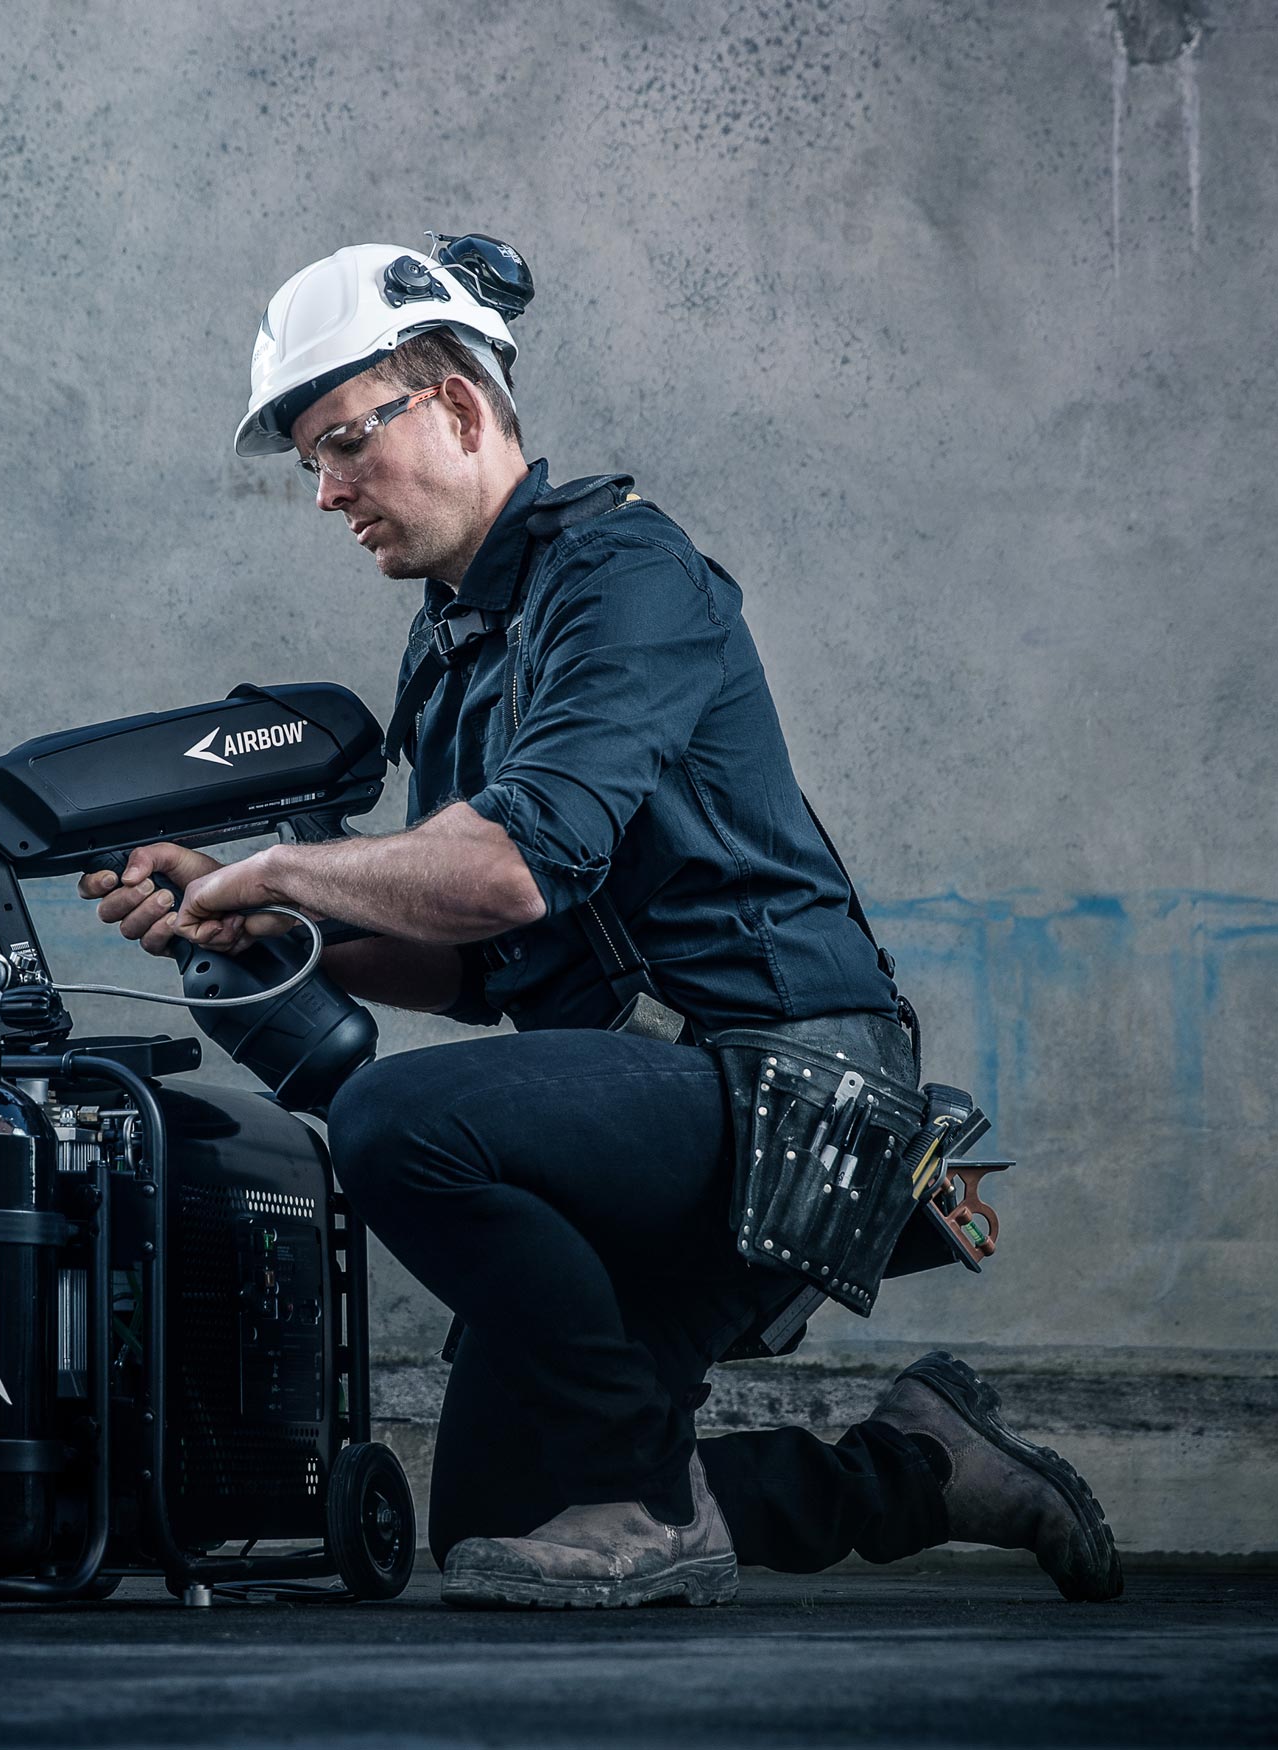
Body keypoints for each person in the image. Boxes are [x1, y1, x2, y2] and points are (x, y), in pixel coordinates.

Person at [80, 240, 1122, 1610]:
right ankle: (920, 1467)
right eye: (309, 464)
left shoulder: (621, 572)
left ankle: (640, 1491)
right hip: (635, 1108)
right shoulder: (455, 641)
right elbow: (473, 961)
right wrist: (257, 925)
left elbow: (512, 867)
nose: (326, 491)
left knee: (395, 1123)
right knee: (496, 1532)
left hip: (784, 1087)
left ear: (453, 406)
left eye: (340, 444)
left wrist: (279, 866)